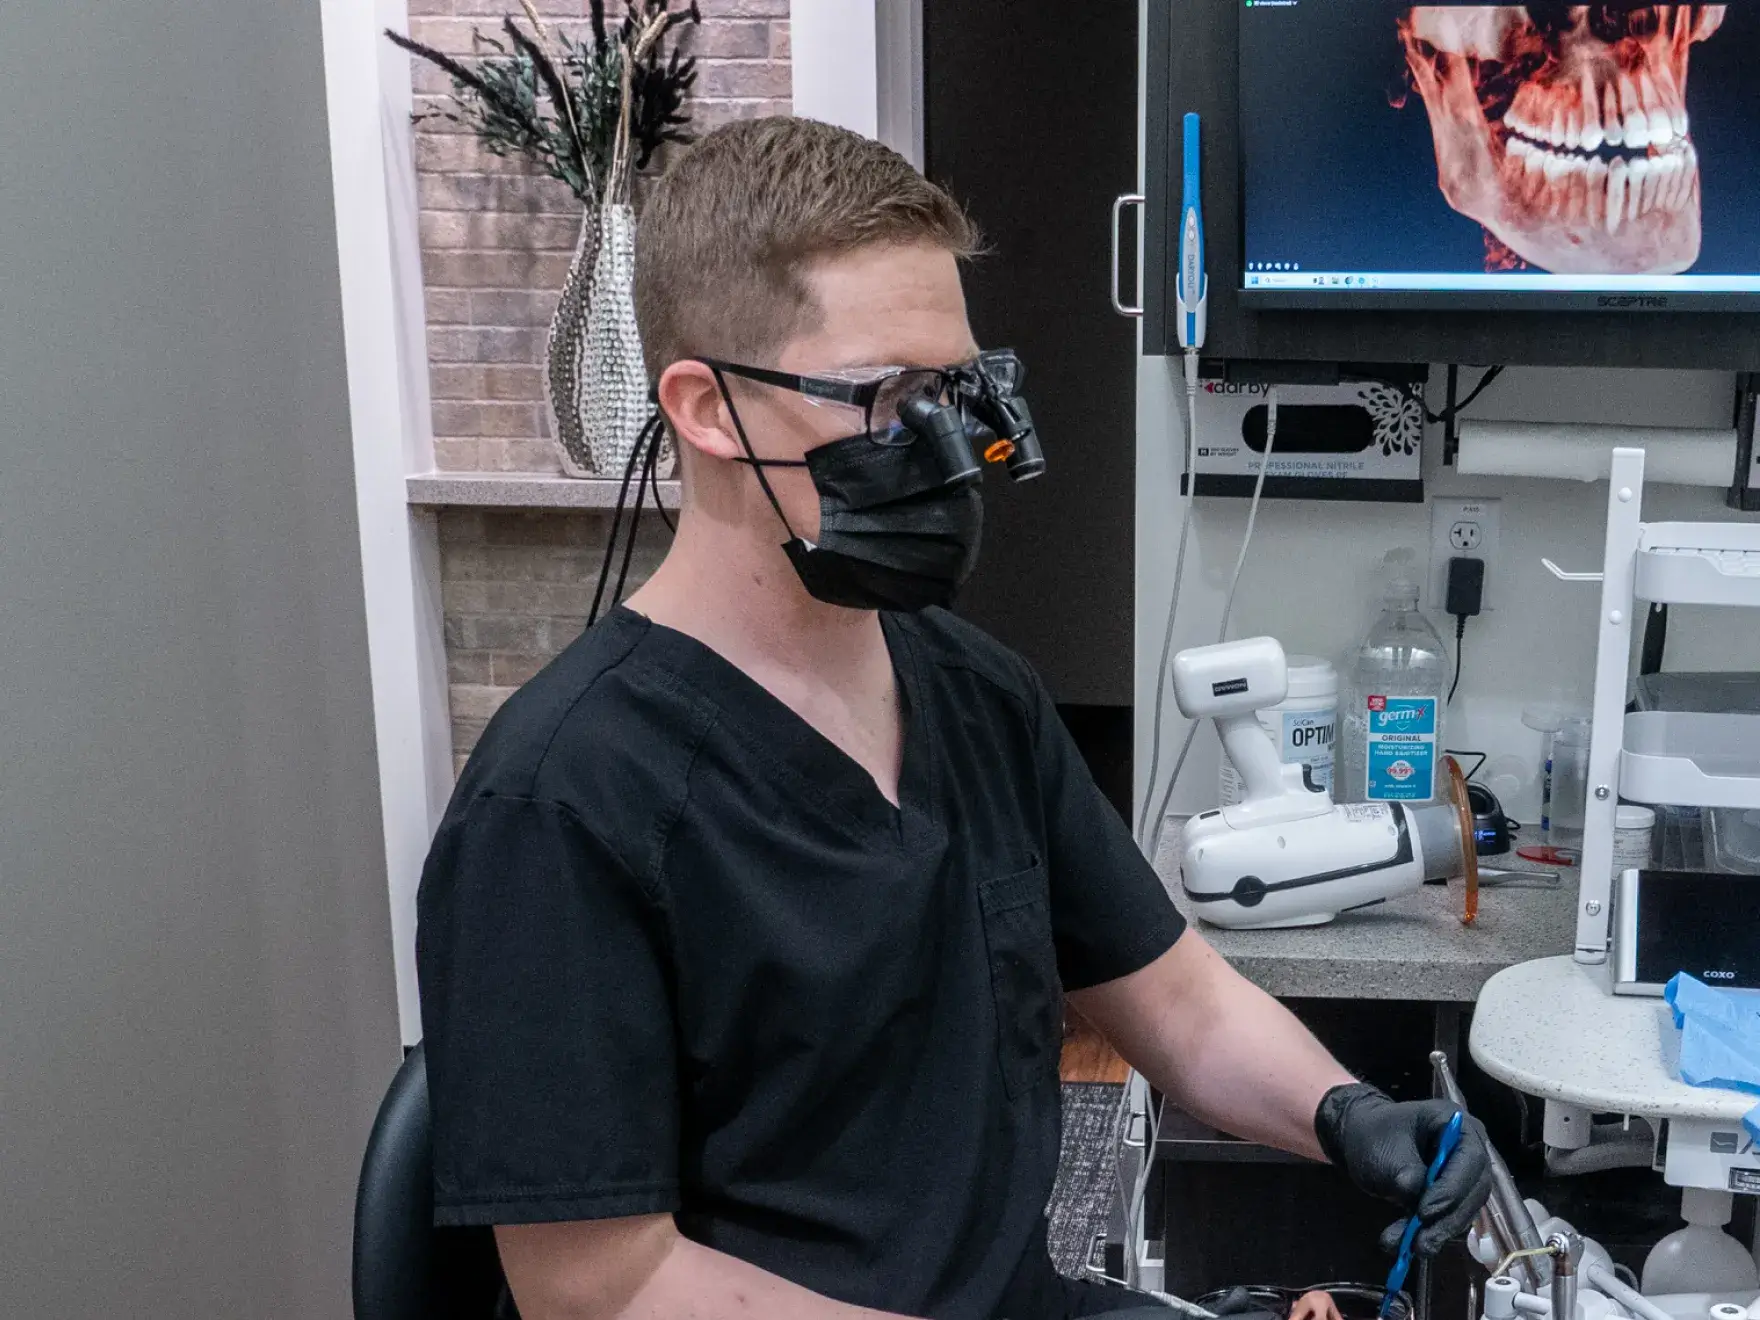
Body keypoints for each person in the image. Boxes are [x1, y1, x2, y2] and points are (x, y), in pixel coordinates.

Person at [415, 116, 1493, 1320]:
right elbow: (600, 1288)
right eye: (887, 398)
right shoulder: (561, 803)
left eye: (955, 390)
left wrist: (1343, 1116)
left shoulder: (975, 693)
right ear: (707, 410)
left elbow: (1178, 1004)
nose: (948, 448)